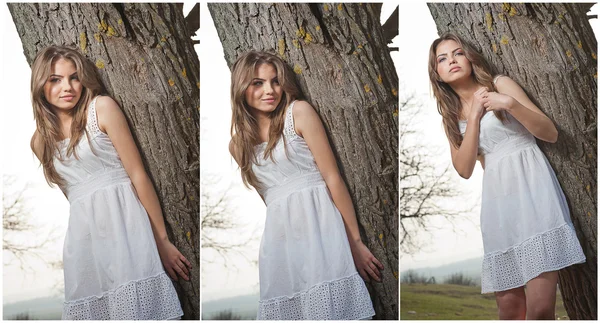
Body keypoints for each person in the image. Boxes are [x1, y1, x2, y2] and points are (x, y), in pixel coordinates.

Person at [428, 32, 586, 319]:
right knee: (509, 308)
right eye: (442, 58)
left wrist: (510, 104)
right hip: (498, 205)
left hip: (534, 193)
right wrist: (474, 115)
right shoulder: (450, 118)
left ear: (469, 57)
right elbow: (464, 169)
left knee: (539, 309)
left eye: (457, 53)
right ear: (437, 74)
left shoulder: (499, 84)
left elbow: (549, 133)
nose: (451, 60)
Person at [29, 45, 191, 320]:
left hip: (127, 229)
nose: (67, 87)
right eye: (55, 79)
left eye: (74, 77)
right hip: (85, 244)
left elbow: (138, 174)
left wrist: (161, 240)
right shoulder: (39, 142)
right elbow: (76, 198)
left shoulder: (100, 109)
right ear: (40, 85)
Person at [228, 50, 383, 320]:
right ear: (241, 88)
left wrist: (354, 242)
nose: (270, 90)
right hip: (281, 245)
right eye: (258, 83)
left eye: (275, 81)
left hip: (322, 230)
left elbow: (332, 177)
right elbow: (272, 201)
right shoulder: (238, 145)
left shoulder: (297, 113)